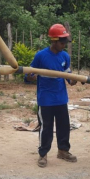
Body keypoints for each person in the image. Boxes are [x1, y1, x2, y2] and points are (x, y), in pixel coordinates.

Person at [25, 23, 77, 168]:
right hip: (46, 99)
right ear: (54, 40)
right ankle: (43, 154)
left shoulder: (65, 56)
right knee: (46, 127)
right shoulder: (41, 56)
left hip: (61, 98)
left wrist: (75, 80)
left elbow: (69, 78)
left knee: (64, 126)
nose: (64, 44)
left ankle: (63, 151)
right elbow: (29, 75)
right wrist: (30, 76)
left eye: (65, 41)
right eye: (62, 42)